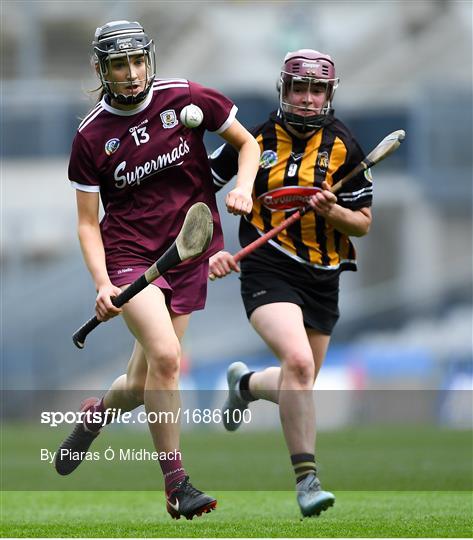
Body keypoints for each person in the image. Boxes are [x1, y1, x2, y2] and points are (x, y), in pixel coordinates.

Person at [55, 20, 260, 521]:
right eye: (119, 64)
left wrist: (244, 188)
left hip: (188, 249)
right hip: (128, 254)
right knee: (167, 358)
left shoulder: (186, 97)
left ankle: (95, 416)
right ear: (101, 69)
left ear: (149, 59)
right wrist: (103, 282)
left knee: (141, 377)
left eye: (137, 61)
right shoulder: (90, 137)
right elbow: (86, 224)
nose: (130, 73)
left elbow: (247, 144)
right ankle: (176, 484)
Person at [208, 49, 373, 518]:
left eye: (315, 89)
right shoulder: (254, 140)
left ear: (328, 94)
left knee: (299, 380)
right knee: (298, 363)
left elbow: (362, 224)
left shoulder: (345, 148)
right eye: (297, 88)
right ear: (283, 90)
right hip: (267, 267)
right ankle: (307, 480)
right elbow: (201, 191)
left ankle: (246, 386)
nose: (305, 98)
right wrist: (213, 247)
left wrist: (332, 211)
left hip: (323, 277)